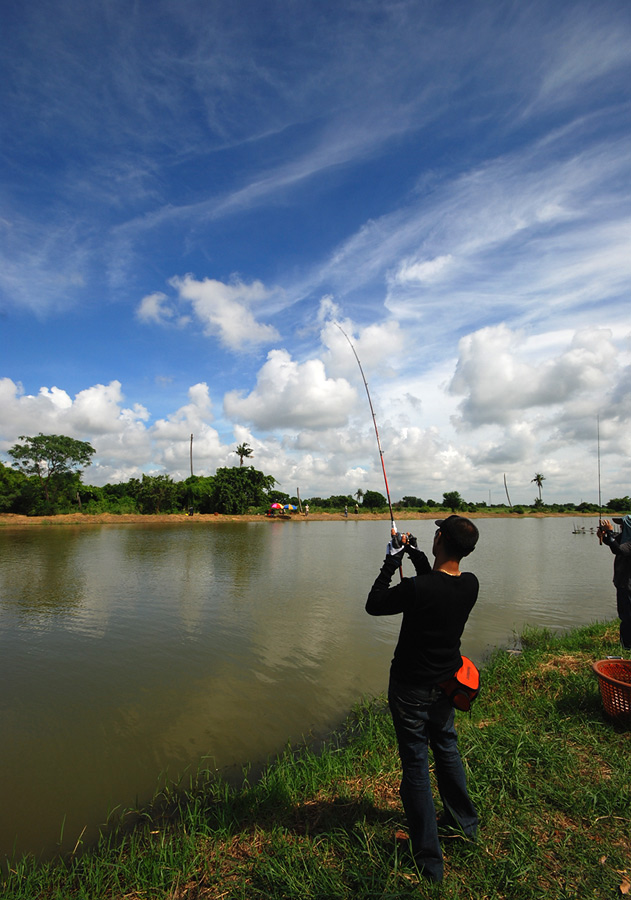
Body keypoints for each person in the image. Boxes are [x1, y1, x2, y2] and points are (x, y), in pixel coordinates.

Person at [366, 515, 480, 882]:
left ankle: (430, 863)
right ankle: (465, 824)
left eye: (436, 532)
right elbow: (434, 582)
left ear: (442, 539)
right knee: (446, 748)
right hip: (446, 686)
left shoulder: (418, 590)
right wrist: (413, 553)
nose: (433, 535)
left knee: (415, 765)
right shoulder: (470, 585)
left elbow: (375, 603)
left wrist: (391, 559)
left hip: (410, 689)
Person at [597, 514, 631, 650]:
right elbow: (611, 543)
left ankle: (628, 645)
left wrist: (609, 532)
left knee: (627, 616)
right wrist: (604, 535)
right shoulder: (624, 537)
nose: (620, 526)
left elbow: (618, 549)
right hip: (623, 583)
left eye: (622, 524)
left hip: (628, 585)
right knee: (625, 615)